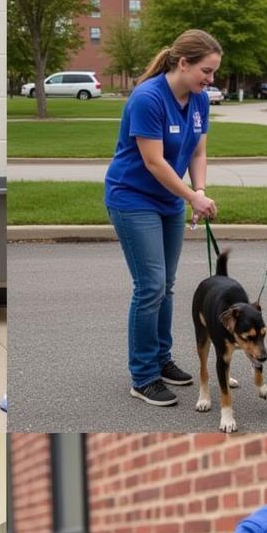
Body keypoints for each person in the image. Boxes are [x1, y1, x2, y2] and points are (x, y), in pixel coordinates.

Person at [105, 30, 221, 407]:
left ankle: (161, 358)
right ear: (183, 63)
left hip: (169, 200)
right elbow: (154, 162)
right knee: (150, 285)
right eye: (206, 70)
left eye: (214, 72)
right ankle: (143, 376)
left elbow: (198, 151)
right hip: (133, 198)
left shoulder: (200, 100)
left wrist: (198, 190)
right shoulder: (148, 98)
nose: (211, 80)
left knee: (166, 285)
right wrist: (190, 195)